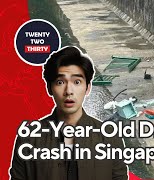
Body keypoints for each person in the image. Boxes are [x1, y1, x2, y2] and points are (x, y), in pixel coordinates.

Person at [10, 46, 128, 180]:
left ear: (87, 88)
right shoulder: (29, 139)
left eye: (77, 82)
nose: (68, 91)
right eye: (60, 82)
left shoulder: (109, 139)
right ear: (49, 88)